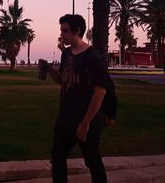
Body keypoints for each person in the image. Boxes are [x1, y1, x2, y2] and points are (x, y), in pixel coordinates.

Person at [39, 14, 116, 183]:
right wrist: (49, 69)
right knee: (58, 157)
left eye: (65, 31)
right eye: (61, 30)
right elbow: (64, 81)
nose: (62, 34)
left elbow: (100, 90)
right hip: (65, 118)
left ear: (77, 31)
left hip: (85, 121)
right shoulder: (66, 53)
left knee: (93, 162)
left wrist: (85, 123)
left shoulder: (91, 56)